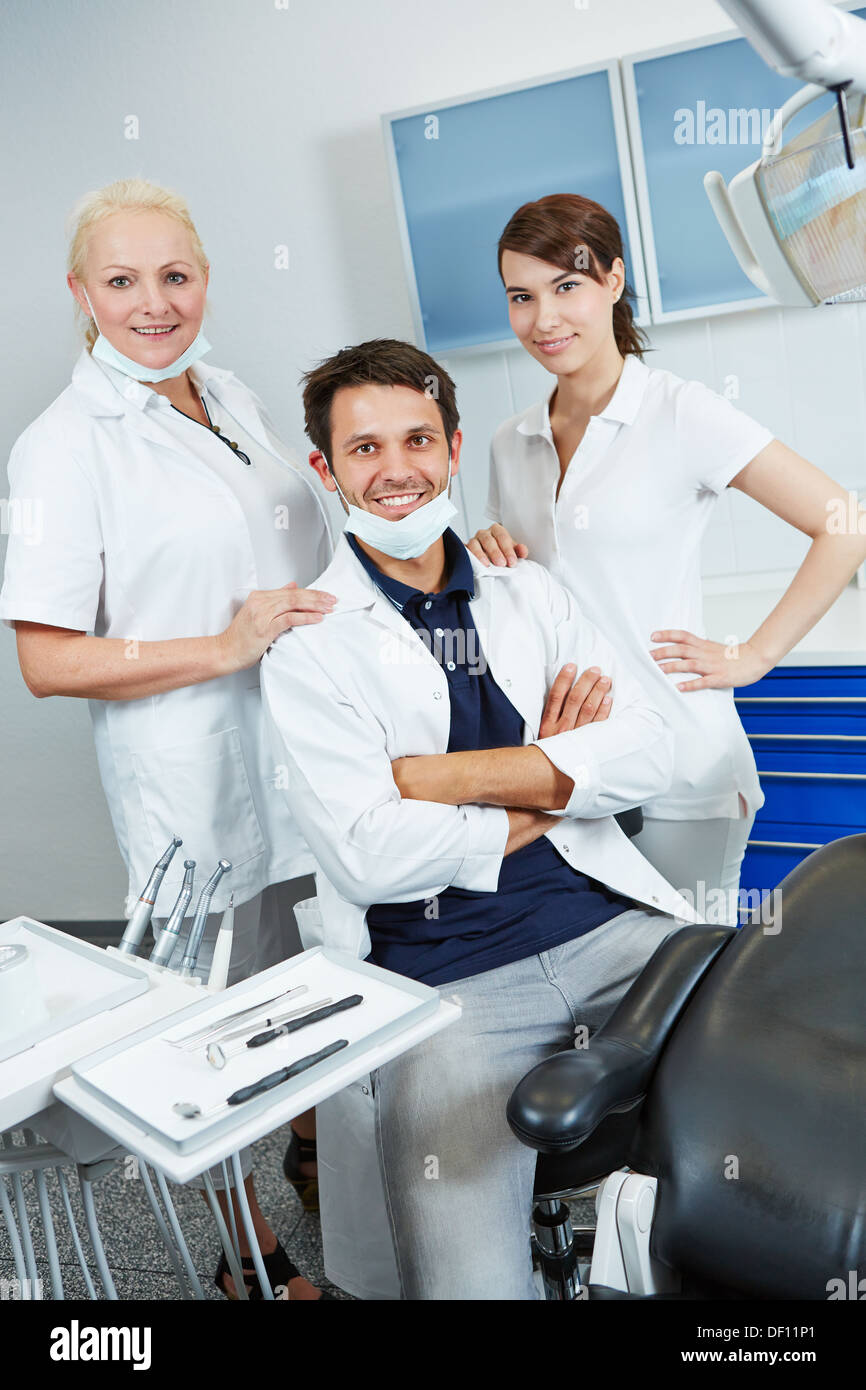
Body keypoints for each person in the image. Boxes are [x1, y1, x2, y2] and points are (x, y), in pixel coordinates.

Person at [259, 337, 706, 1300]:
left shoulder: (525, 587)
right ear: (325, 469)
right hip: (449, 987)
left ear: (454, 449)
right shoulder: (309, 648)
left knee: (798, 1128)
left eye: (418, 439)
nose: (397, 469)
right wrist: (551, 778)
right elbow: (372, 857)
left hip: (619, 930)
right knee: (465, 1289)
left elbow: (650, 750)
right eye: (365, 448)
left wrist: (435, 778)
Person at [0, 178, 335, 1300]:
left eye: (175, 275)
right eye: (123, 280)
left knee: (322, 985)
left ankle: (310, 1152)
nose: (154, 302)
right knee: (217, 1033)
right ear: (80, 294)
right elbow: (46, 661)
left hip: (314, 754)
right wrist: (223, 645)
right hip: (196, 782)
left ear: (204, 278)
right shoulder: (60, 448)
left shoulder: (226, 392)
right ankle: (249, 1248)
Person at [469, 193, 866, 924]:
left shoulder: (680, 412)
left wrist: (754, 655)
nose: (544, 319)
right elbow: (525, 587)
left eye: (567, 287)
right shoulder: (510, 441)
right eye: (521, 297)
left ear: (614, 282)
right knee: (614, 992)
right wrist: (483, 554)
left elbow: (845, 523)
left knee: (690, 988)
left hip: (681, 768)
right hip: (571, 766)